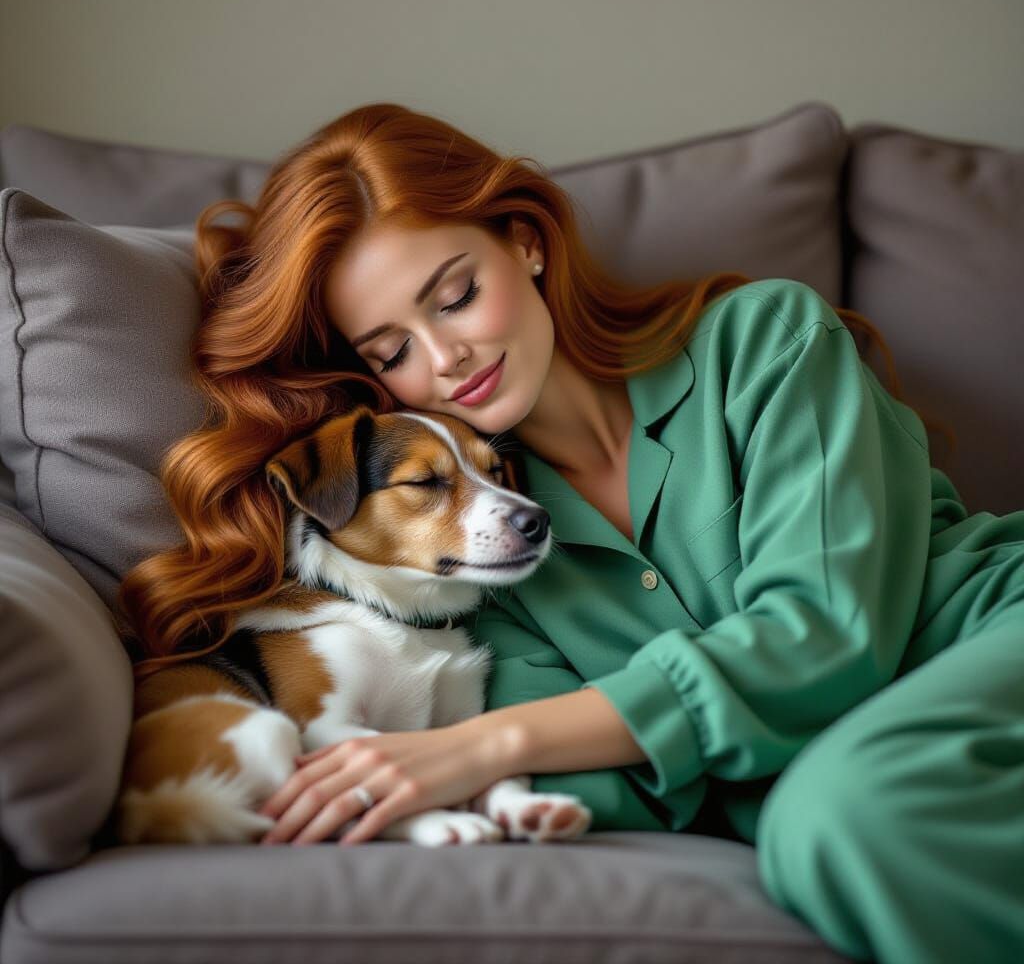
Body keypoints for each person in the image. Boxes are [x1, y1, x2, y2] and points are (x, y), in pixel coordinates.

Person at [118, 103, 1024, 963]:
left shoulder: (764, 340)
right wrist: (435, 792)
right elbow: (622, 774)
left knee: (837, 812)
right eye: (389, 352)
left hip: (989, 641)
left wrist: (490, 749)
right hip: (847, 782)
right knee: (824, 815)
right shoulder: (473, 559)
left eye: (456, 295)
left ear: (526, 242)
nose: (444, 361)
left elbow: (826, 632)